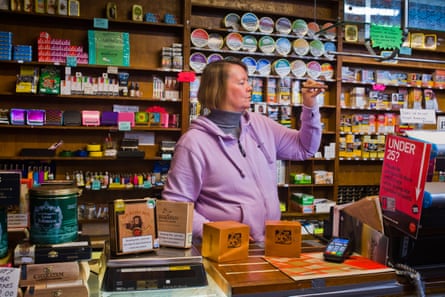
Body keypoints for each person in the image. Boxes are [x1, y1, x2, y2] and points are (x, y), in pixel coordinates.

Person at [162, 59, 324, 243]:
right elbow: (175, 207)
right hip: (224, 251)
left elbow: (305, 148)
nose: (249, 88)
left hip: (267, 245)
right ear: (218, 89)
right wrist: (220, 234)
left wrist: (310, 106)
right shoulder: (193, 143)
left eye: (248, 82)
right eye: (241, 82)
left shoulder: (260, 124)